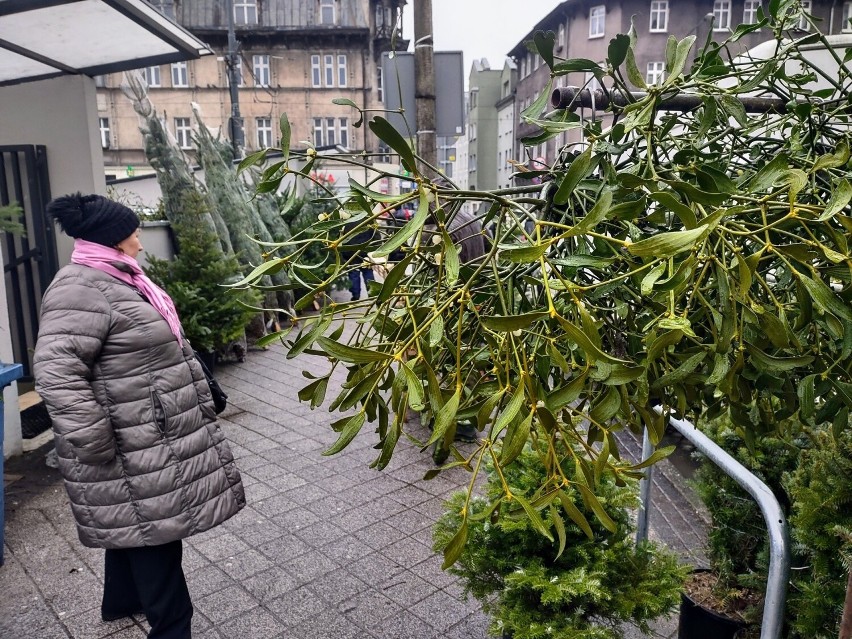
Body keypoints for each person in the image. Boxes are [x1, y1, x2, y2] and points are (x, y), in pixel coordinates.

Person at [33, 193, 246, 639]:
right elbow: (56, 373)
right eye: (133, 232)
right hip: (130, 437)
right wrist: (93, 440)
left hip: (144, 429)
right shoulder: (81, 288)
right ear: (113, 238)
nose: (141, 241)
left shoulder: (117, 277)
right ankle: (172, 630)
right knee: (156, 531)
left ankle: (121, 602)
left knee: (133, 517)